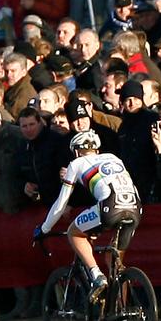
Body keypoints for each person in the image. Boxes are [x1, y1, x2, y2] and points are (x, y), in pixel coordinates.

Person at [34, 128, 142, 304]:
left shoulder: (76, 164)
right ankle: (121, 314)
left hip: (110, 207)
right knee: (115, 264)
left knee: (74, 233)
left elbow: (61, 204)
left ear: (76, 151)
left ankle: (96, 275)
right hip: (135, 208)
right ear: (97, 150)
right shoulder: (114, 158)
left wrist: (44, 228)